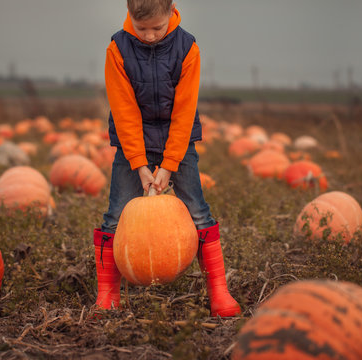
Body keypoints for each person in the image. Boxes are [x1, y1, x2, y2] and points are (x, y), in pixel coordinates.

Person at [93, 0, 241, 318]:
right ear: (129, 14)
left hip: (179, 142)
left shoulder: (187, 48)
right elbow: (124, 111)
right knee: (115, 216)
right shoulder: (117, 49)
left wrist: (171, 162)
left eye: (156, 28)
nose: (148, 35)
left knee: (199, 212)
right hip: (133, 144)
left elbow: (185, 110)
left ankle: (219, 292)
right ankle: (107, 296)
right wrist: (139, 163)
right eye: (140, 27)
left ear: (171, 10)